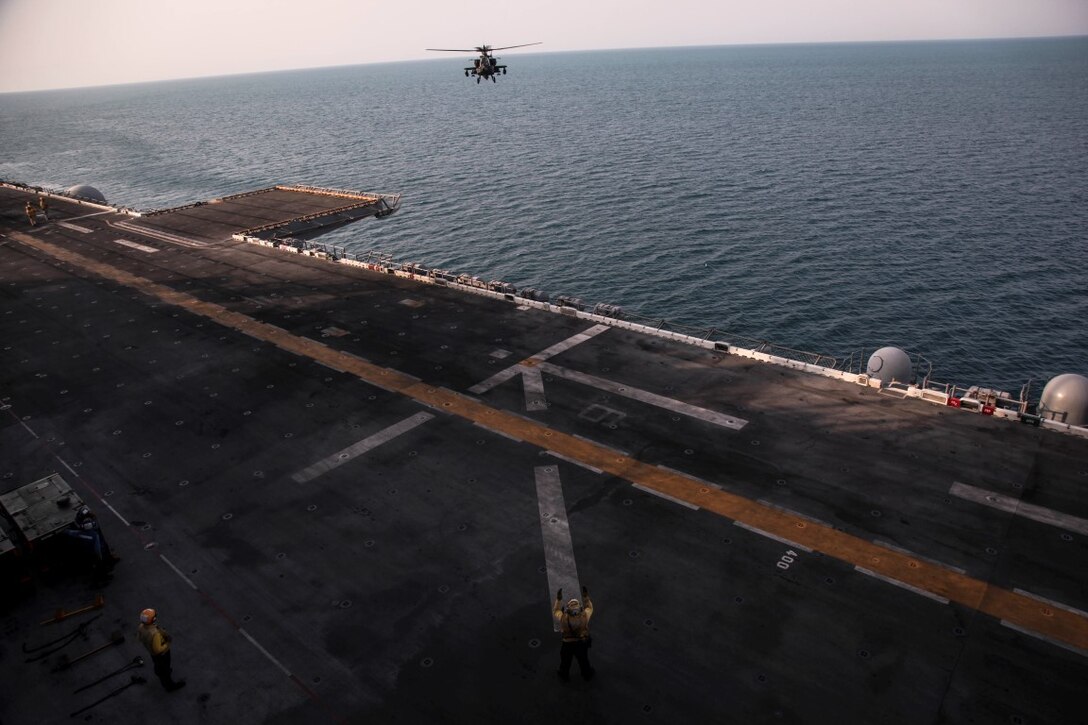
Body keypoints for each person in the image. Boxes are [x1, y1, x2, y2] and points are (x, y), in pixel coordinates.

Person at [63, 505, 120, 577]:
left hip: (94, 543)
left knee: (104, 548)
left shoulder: (83, 528)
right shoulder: (91, 529)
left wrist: (66, 531)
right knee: (100, 554)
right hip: (94, 547)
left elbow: (73, 532)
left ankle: (108, 560)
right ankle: (105, 570)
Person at [553, 585, 594, 682]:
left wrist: (559, 599)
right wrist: (585, 597)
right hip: (581, 643)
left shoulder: (563, 618)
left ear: (568, 609)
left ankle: (564, 675)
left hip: (567, 644)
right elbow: (589, 607)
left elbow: (556, 611)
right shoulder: (584, 616)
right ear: (579, 608)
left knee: (565, 662)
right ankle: (587, 675)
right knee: (584, 661)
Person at [138, 608, 186, 691]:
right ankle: (170, 686)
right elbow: (158, 649)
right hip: (162, 654)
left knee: (158, 664)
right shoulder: (154, 634)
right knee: (164, 668)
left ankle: (161, 672)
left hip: (152, 653)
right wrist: (167, 644)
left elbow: (139, 638)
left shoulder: (141, 627)